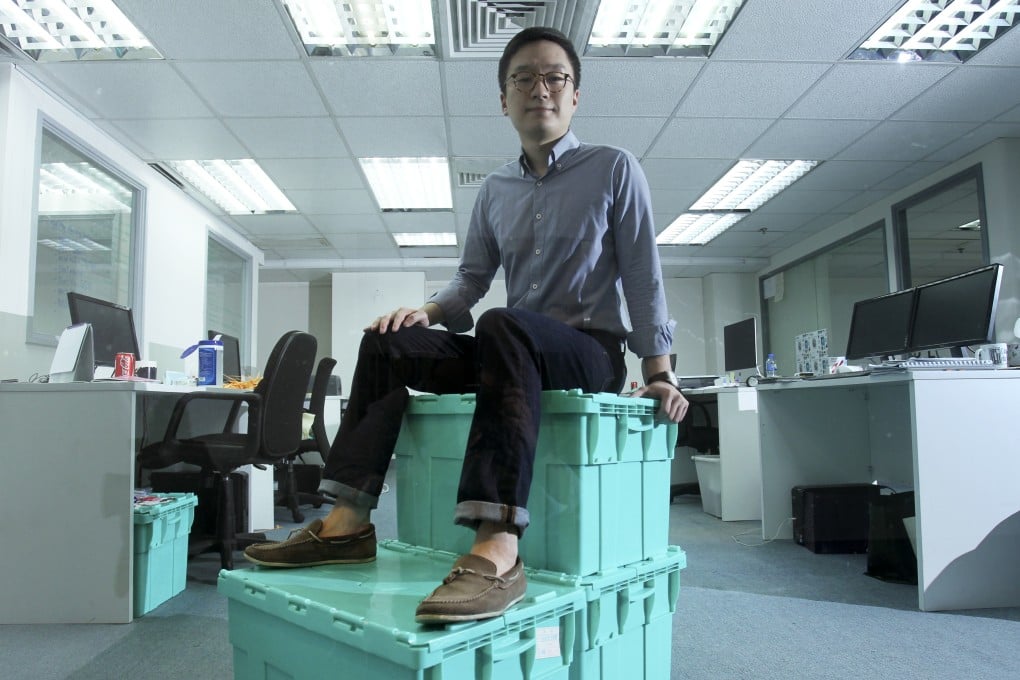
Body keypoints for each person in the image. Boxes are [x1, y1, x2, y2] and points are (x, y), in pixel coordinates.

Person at [244, 25, 689, 624]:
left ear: (574, 95)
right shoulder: (496, 190)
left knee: (505, 324)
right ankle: (347, 523)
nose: (540, 88)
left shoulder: (614, 168)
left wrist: (659, 370)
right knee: (384, 340)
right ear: (503, 99)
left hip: (590, 351)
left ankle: (499, 544)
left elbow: (642, 273)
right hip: (510, 349)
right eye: (522, 78)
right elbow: (470, 281)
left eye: (555, 76)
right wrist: (421, 313)